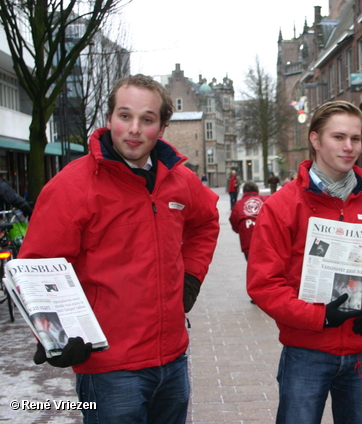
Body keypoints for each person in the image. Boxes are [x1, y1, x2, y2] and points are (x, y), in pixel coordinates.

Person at [19, 74, 220, 424]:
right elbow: (39, 266)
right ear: (110, 119)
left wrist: (190, 277)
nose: (134, 129)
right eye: (124, 116)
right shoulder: (73, 185)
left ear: (162, 126)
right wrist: (55, 333)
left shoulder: (180, 180)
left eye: (147, 119)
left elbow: (206, 222)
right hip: (111, 368)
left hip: (172, 360)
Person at [247, 100, 362, 424]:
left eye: (355, 138)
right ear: (315, 140)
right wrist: (318, 317)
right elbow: (264, 284)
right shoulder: (282, 206)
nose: (349, 147)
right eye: (338, 137)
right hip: (305, 352)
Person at [229, 181, 267, 260]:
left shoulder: (238, 204)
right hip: (266, 240)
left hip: (248, 242)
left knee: (252, 266)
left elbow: (234, 222)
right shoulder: (266, 200)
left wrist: (241, 230)